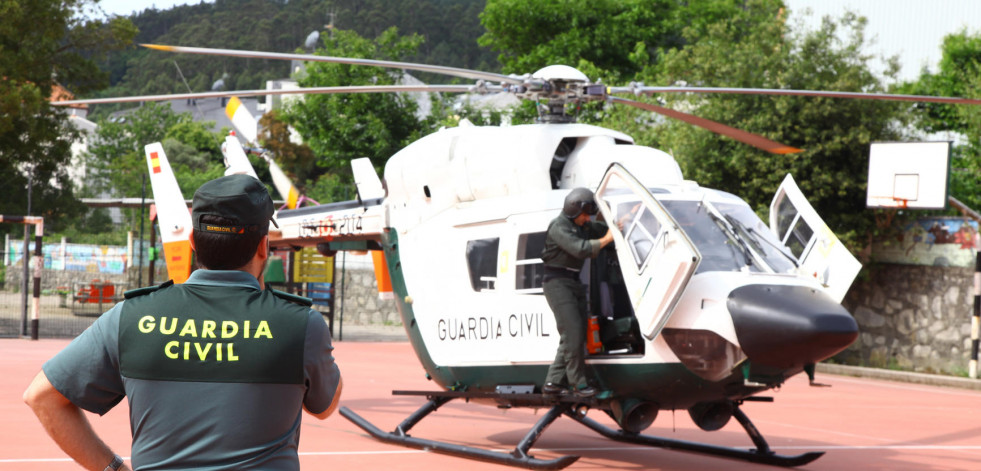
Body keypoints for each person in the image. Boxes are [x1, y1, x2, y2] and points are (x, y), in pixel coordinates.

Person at [23, 174, 342, 470]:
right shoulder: (301, 325)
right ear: (263, 246)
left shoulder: (133, 316)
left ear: (192, 240)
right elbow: (324, 408)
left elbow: (42, 396)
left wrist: (115, 469)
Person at [541, 187, 614, 398]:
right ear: (574, 210)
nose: (587, 218)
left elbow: (600, 228)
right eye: (585, 213)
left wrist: (619, 223)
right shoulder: (559, 226)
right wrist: (607, 239)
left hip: (573, 281)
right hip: (557, 282)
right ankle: (578, 385)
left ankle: (553, 382)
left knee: (575, 333)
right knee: (572, 332)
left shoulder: (580, 225)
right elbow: (581, 249)